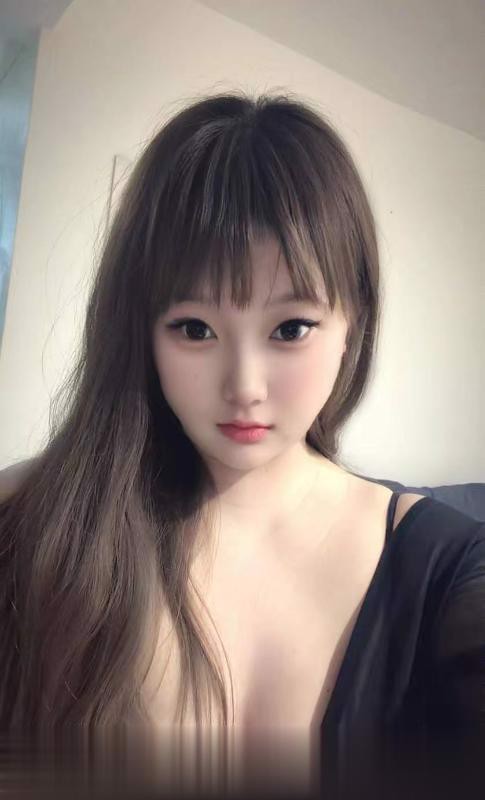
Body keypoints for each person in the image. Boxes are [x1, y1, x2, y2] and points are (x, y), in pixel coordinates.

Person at [0, 89, 483, 800]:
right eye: (195, 328)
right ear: (141, 332)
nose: (244, 387)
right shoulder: (36, 524)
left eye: (290, 328)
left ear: (353, 322)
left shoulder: (450, 568)